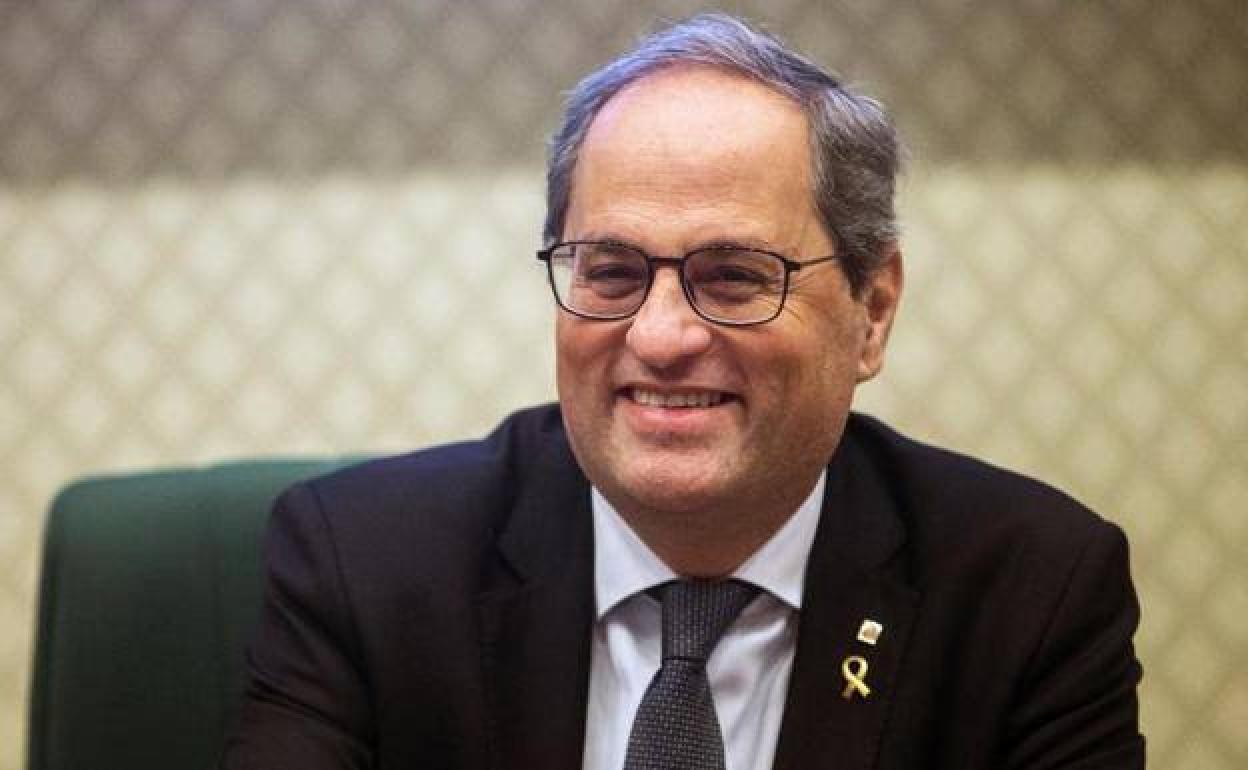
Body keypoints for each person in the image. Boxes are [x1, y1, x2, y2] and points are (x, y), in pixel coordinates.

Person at [224, 13, 1144, 770]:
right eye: (612, 271)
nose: (660, 337)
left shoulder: (1032, 594)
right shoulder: (361, 567)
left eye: (736, 277)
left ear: (872, 312)